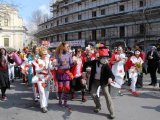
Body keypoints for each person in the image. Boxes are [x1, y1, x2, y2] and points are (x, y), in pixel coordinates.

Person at [82, 43, 115, 119]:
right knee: (93, 93)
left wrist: (110, 79)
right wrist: (84, 72)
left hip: (103, 82)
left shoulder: (106, 65)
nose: (105, 59)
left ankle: (112, 112)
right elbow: (85, 64)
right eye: (103, 58)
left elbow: (111, 75)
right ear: (99, 58)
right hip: (95, 81)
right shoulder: (94, 62)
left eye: (106, 58)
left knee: (107, 96)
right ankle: (98, 106)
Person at [31, 47, 54, 113]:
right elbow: (36, 70)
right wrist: (42, 69)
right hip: (40, 77)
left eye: (46, 53)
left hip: (47, 77)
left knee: (47, 91)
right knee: (41, 91)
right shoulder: (37, 60)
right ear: (41, 54)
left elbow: (51, 68)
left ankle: (45, 104)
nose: (46, 55)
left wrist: (54, 65)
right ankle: (43, 106)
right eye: (44, 54)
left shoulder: (48, 60)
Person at [54, 42, 74, 110]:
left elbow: (71, 64)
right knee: (60, 87)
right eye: (67, 46)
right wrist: (61, 64)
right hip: (60, 73)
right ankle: (60, 100)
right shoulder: (58, 55)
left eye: (69, 46)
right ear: (63, 47)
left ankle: (65, 102)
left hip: (67, 73)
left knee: (67, 88)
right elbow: (55, 65)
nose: (68, 48)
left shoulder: (69, 54)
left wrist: (74, 63)